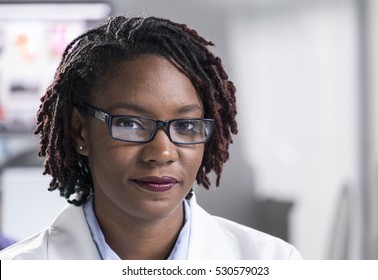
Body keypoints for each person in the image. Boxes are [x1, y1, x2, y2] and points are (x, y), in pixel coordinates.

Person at [0, 15, 302, 260]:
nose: (162, 152)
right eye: (130, 123)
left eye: (185, 126)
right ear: (81, 131)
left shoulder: (272, 261)